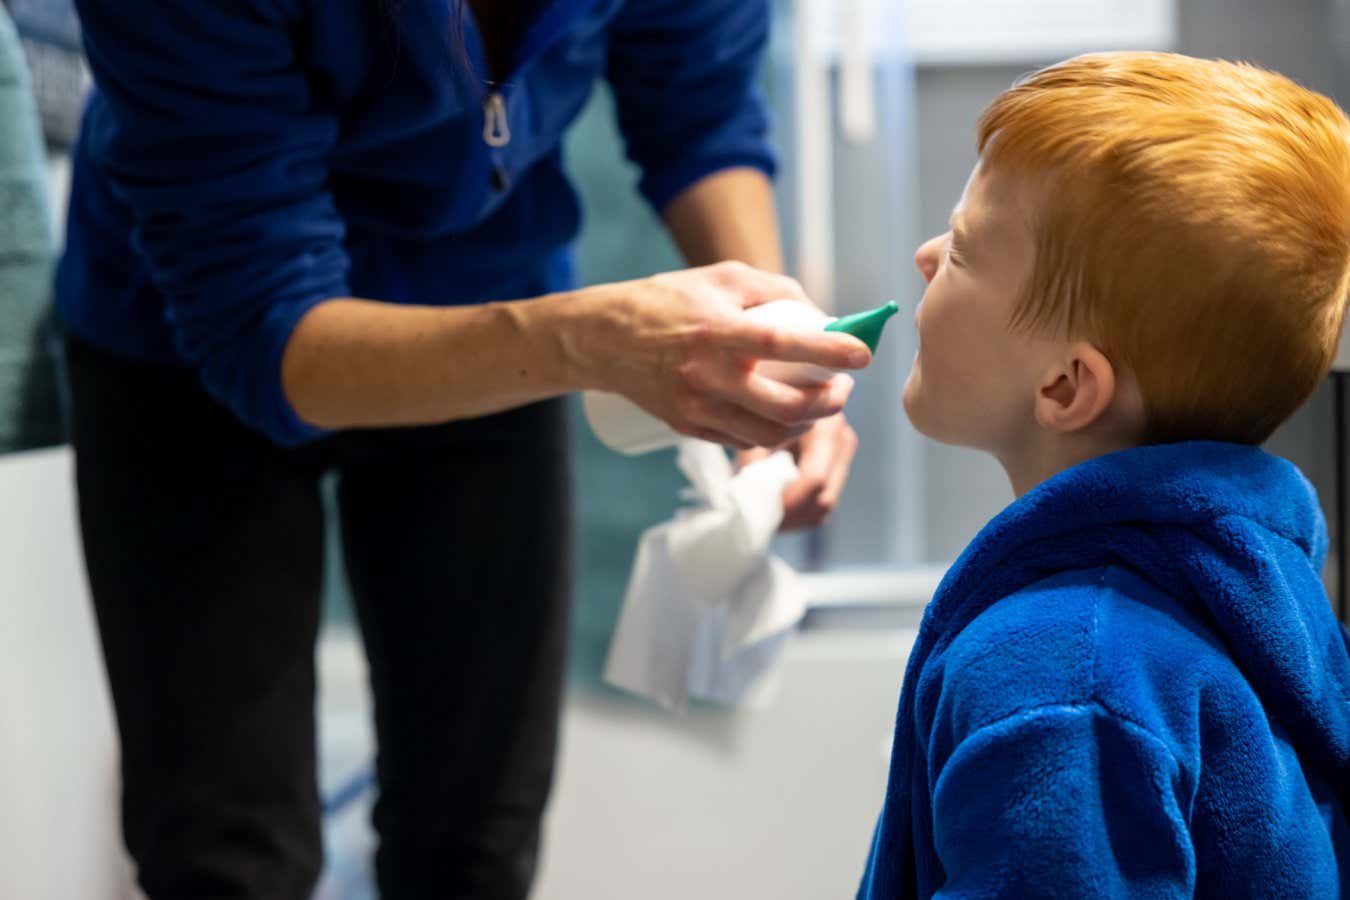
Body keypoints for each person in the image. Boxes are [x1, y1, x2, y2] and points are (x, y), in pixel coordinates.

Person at [53, 1, 871, 897]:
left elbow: (700, 107)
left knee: (475, 845)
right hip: (189, 329)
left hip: (486, 277)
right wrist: (586, 341)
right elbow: (265, 323)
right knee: (223, 851)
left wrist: (774, 340)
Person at [860, 52, 1350, 898]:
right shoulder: (1246, 597)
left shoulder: (1061, 678)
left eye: (968, 250)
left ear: (1065, 386)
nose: (926, 254)